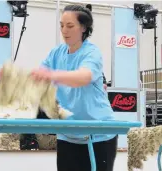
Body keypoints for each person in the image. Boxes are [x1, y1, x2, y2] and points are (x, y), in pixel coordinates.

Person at [31, 4, 118, 171]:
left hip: (99, 135)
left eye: (70, 26)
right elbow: (39, 77)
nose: (64, 31)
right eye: (62, 25)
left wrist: (52, 75)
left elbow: (83, 77)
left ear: (84, 28)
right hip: (68, 134)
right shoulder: (56, 53)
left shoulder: (92, 53)